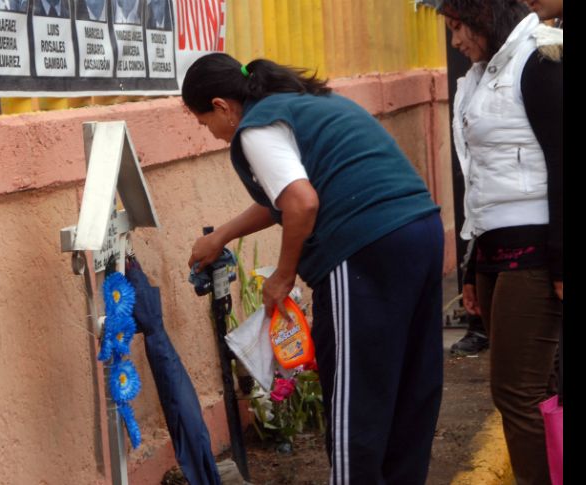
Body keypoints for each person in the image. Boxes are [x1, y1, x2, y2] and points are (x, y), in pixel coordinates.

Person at [182, 53, 444, 484]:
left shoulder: (256, 129)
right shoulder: (310, 103)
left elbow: (301, 202)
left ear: (222, 106)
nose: (210, 133)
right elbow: (283, 199)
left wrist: (282, 277)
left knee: (356, 395)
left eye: (204, 121)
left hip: (364, 247)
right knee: (410, 386)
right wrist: (221, 236)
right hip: (419, 231)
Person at [438, 1, 562, 483]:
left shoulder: (540, 60)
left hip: (535, 250)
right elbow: (481, 178)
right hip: (494, 248)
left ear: (484, 17)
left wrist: (559, 262)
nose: (455, 41)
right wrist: (472, 266)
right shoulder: (481, 75)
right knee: (532, 390)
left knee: (518, 393)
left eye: (458, 27)